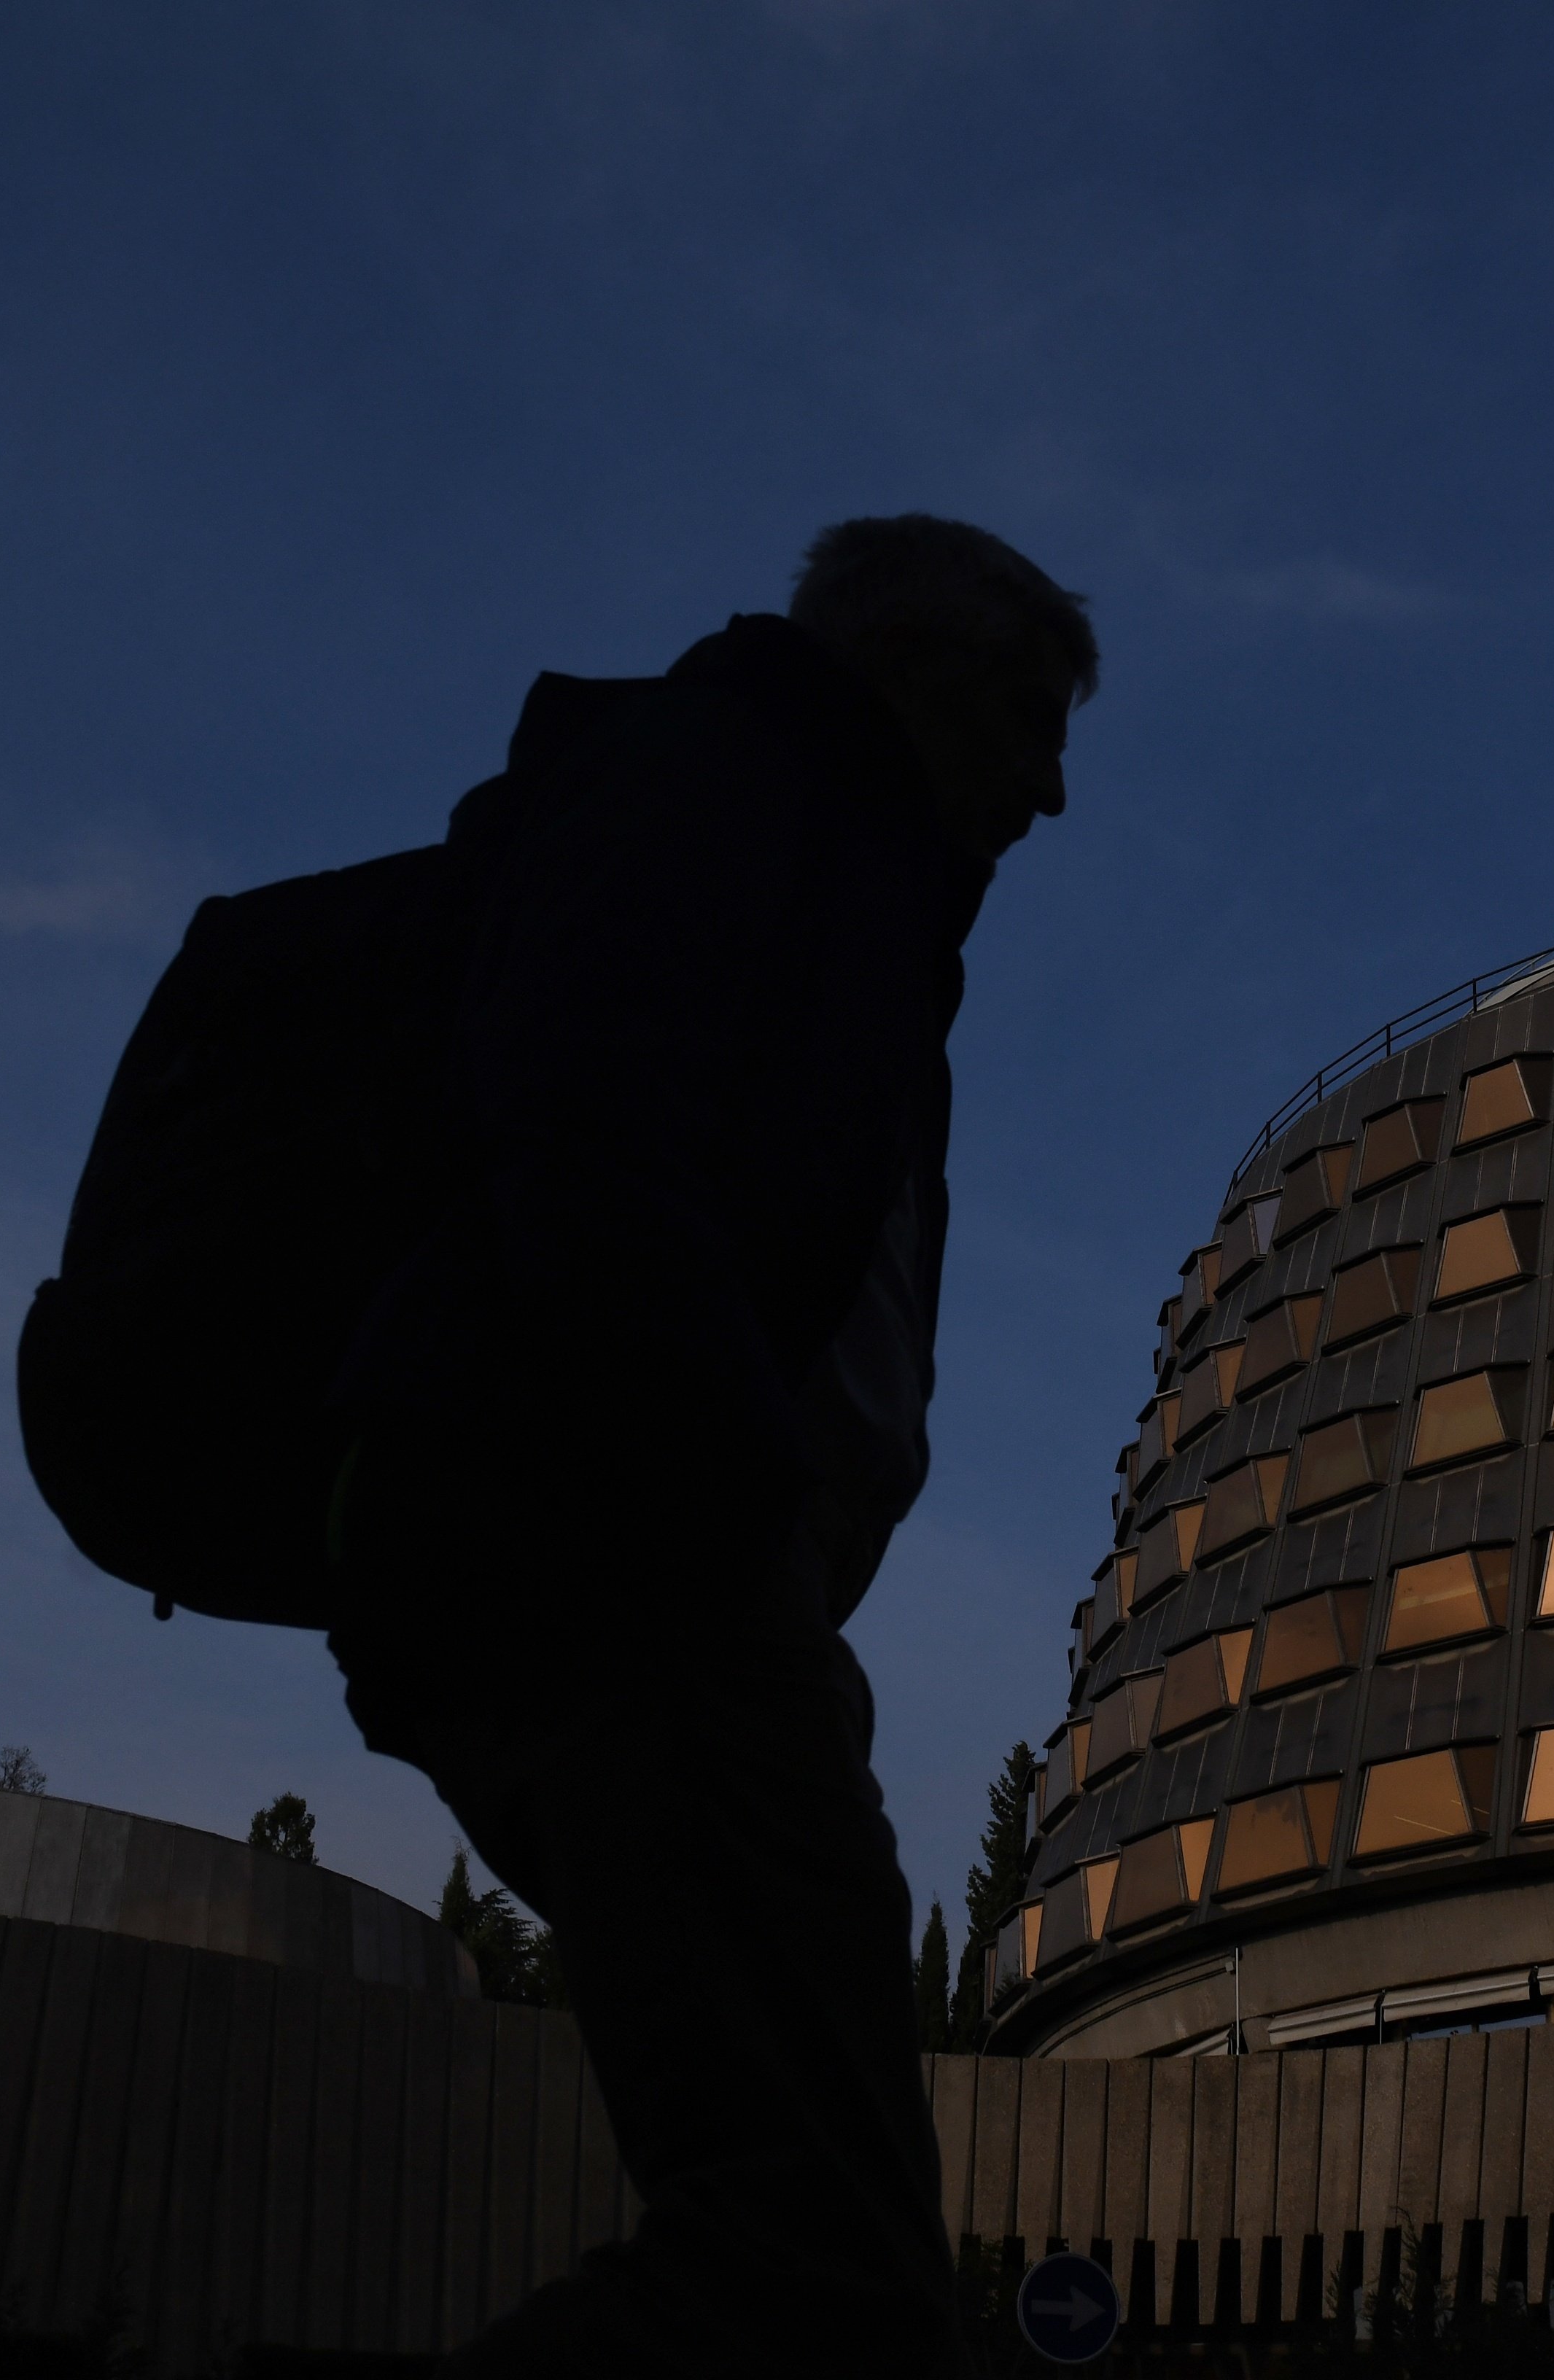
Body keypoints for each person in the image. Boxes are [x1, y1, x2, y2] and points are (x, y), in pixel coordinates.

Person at [322, 515, 1096, 2376]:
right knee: (814, 2258)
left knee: (806, 2241)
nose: (1050, 790)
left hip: (643, 1570)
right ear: (903, 668)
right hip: (633, 1567)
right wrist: (730, 1505)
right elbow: (581, 1130)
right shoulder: (741, 784)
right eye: (1021, 716)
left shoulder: (817, 860)